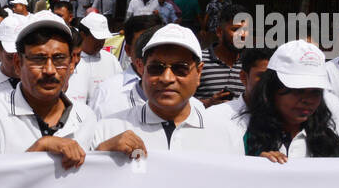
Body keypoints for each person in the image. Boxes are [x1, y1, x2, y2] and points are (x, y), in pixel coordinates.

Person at [0, 11, 95, 162]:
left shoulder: (85, 117)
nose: (49, 70)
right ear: (18, 64)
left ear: (71, 64)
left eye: (59, 59)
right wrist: (38, 150)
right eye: (38, 59)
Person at [91, 23, 236, 156]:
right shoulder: (107, 130)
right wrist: (101, 157)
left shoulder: (226, 133)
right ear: (142, 69)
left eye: (180, 68)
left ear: (198, 73)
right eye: (156, 68)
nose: (167, 78)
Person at [229, 41, 339, 162]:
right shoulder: (240, 136)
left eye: (315, 92)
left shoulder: (331, 144)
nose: (307, 100)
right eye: (298, 90)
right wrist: (256, 165)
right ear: (272, 89)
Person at [195, 4, 248, 106]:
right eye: (235, 29)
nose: (243, 35)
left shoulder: (249, 64)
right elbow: (183, 100)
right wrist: (208, 103)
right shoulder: (199, 60)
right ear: (219, 32)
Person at [65, 12, 119, 108]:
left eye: (103, 39)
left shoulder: (111, 60)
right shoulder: (69, 60)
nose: (101, 43)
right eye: (97, 38)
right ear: (82, 35)